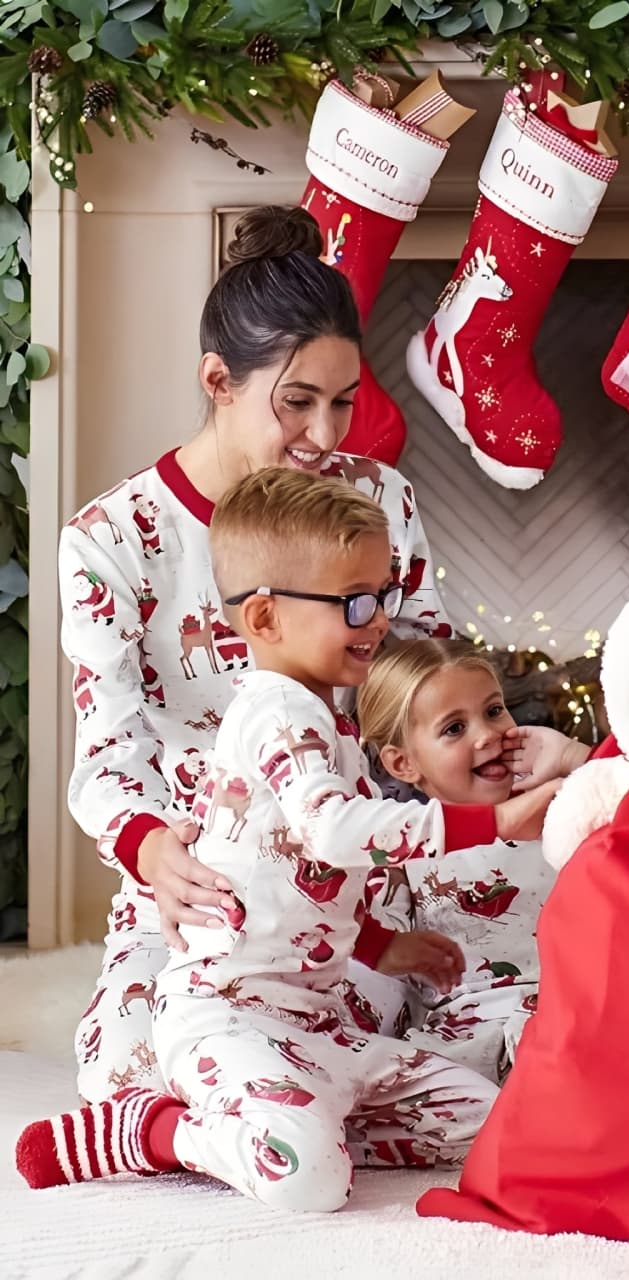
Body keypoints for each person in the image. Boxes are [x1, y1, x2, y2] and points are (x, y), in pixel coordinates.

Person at [17, 468, 560, 1210]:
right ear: (266, 619)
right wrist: (492, 822)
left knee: (490, 1119)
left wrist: (377, 950)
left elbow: (297, 882)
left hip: (316, 1024)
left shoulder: (326, 719)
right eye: (355, 603)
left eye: (382, 596)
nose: (377, 622)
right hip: (227, 1013)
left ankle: (294, 1119)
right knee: (309, 1181)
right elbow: (331, 832)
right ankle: (153, 1134)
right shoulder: (276, 713)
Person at [61, 206, 455, 1103]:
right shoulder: (113, 540)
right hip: (202, 877)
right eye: (297, 402)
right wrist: (154, 850)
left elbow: (422, 673)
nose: (326, 435)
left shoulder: (378, 497)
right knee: (124, 1073)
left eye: (345, 400)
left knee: (408, 1013)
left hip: (344, 864)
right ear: (218, 380)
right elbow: (108, 753)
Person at [357, 639, 591, 1080]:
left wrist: (576, 758)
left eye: (494, 710)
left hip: (582, 1015)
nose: (487, 735)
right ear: (404, 763)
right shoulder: (400, 861)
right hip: (471, 1047)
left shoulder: (565, 806)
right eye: (453, 728)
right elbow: (359, 949)